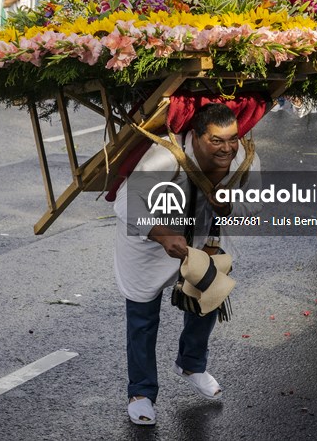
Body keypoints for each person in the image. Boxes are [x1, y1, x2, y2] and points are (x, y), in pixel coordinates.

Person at [113, 103, 261, 426]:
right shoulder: (166, 156)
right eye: (216, 140)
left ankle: (191, 364)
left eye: (232, 139)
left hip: (202, 238)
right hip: (149, 243)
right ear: (195, 136)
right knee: (142, 317)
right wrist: (163, 235)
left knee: (209, 296)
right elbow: (126, 201)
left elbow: (255, 203)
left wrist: (228, 208)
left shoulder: (244, 157)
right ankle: (141, 393)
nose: (227, 149)